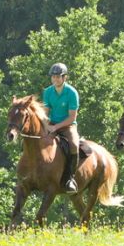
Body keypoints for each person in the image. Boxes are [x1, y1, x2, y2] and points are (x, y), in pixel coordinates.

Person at [43, 62, 80, 194]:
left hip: (68, 126)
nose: (55, 79)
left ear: (65, 78)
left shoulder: (72, 93)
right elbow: (45, 113)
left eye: (58, 77)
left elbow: (71, 117)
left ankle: (70, 178)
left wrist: (56, 127)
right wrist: (47, 125)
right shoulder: (47, 92)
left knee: (74, 145)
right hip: (51, 125)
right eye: (53, 77)